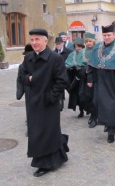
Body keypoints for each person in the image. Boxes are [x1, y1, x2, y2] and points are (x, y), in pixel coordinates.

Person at [21, 29, 69, 177]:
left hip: (48, 103)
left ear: (45, 41)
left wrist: (51, 97)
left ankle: (46, 163)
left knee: (46, 132)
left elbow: (62, 81)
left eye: (37, 39)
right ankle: (59, 151)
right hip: (32, 102)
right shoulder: (28, 57)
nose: (34, 42)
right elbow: (22, 75)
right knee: (36, 132)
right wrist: (29, 79)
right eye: (32, 40)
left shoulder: (55, 58)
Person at [87, 24, 115, 143]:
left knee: (114, 108)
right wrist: (90, 79)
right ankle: (107, 124)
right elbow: (91, 65)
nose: (106, 37)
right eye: (104, 35)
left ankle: (112, 131)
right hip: (100, 82)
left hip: (114, 83)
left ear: (113, 35)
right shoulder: (97, 47)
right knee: (100, 105)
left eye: (109, 35)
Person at [65, 37, 89, 118]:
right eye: (76, 46)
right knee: (77, 95)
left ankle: (89, 109)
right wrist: (71, 67)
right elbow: (66, 64)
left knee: (84, 95)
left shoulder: (86, 53)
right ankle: (81, 111)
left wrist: (82, 67)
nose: (78, 48)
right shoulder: (72, 54)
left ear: (83, 46)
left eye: (80, 46)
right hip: (75, 78)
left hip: (85, 78)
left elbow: (89, 64)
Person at [54, 36, 72, 111]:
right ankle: (60, 105)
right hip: (58, 75)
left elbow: (71, 62)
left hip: (67, 74)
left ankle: (77, 103)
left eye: (59, 44)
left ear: (63, 44)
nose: (58, 45)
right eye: (57, 44)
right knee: (60, 91)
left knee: (71, 90)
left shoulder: (68, 52)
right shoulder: (54, 53)